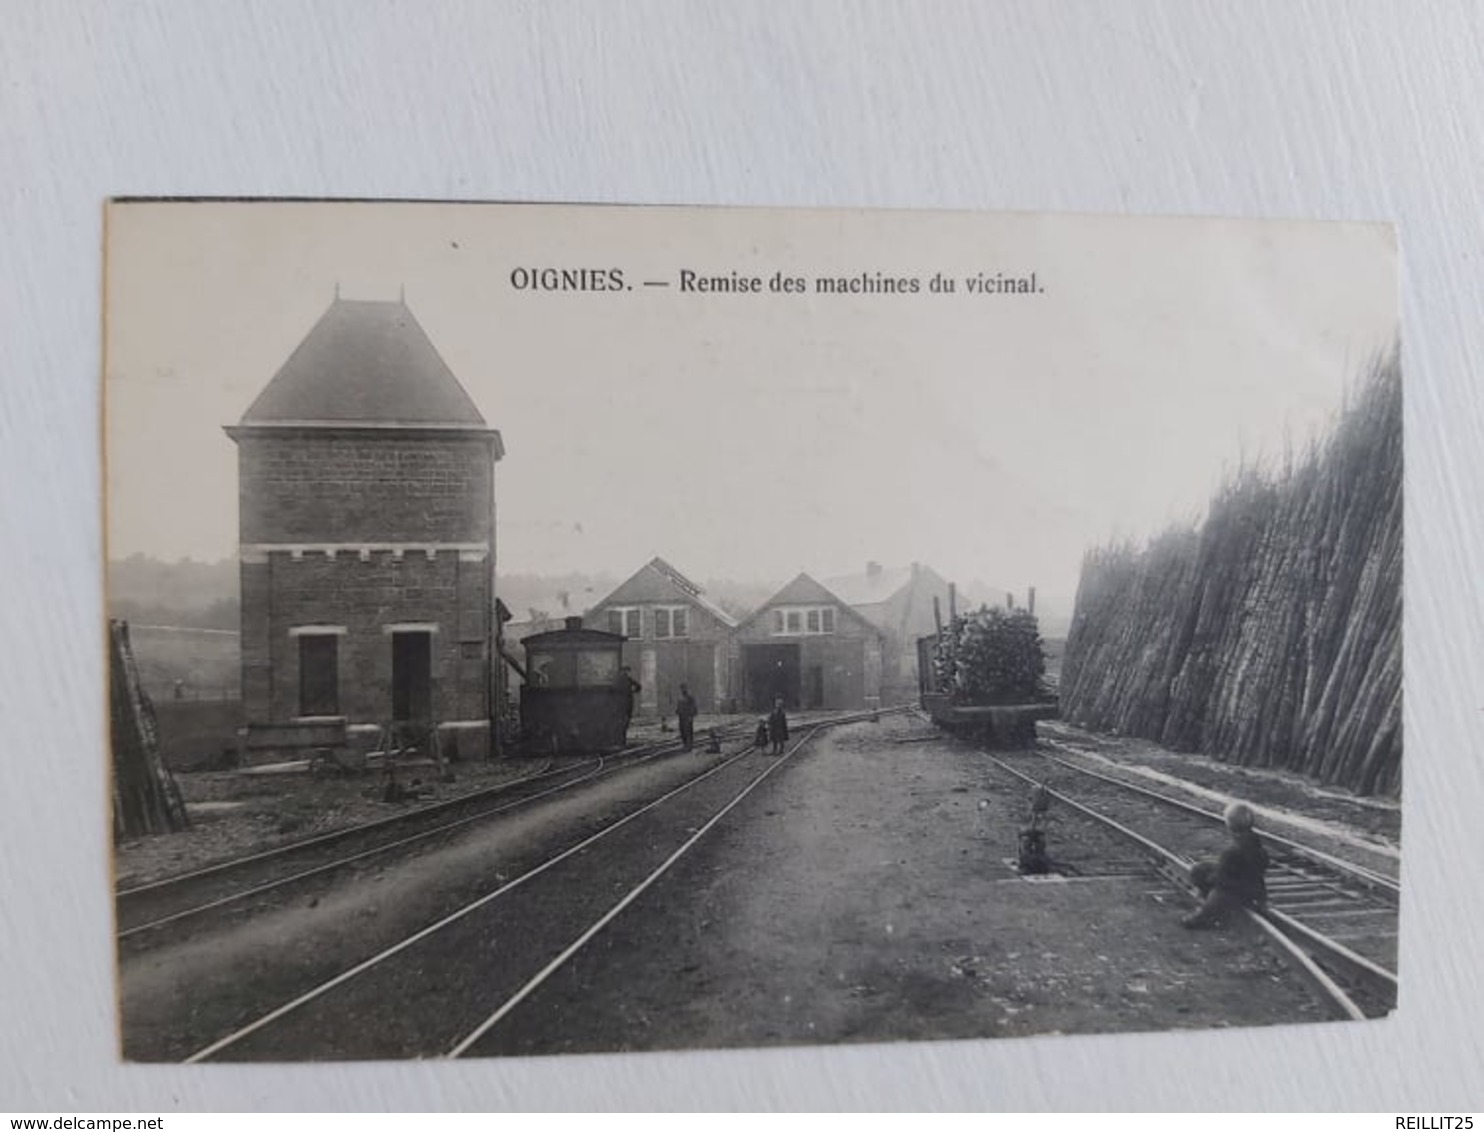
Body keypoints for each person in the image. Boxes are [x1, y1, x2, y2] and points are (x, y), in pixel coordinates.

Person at [1182, 800, 1270, 929]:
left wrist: (1210, 878)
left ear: (1230, 825)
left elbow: (1221, 881)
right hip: (1255, 889)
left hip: (1235, 892)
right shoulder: (1260, 849)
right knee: (1207, 868)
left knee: (1200, 871)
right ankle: (1209, 903)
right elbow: (1258, 874)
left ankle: (1206, 912)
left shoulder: (1232, 852)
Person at [612, 665, 640, 734]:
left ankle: (621, 733)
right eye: (626, 671)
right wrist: (633, 691)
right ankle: (623, 733)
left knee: (621, 719)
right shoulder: (628, 679)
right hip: (627, 701)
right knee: (626, 718)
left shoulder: (617, 680)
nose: (626, 672)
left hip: (621, 702)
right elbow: (638, 686)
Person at [676, 683, 698, 751]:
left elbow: (693, 707)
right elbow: (679, 707)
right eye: (682, 688)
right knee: (683, 732)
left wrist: (691, 716)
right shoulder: (680, 698)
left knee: (688, 732)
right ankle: (685, 744)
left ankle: (689, 745)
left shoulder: (690, 698)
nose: (683, 690)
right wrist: (677, 711)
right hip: (682, 718)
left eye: (684, 688)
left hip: (688, 717)